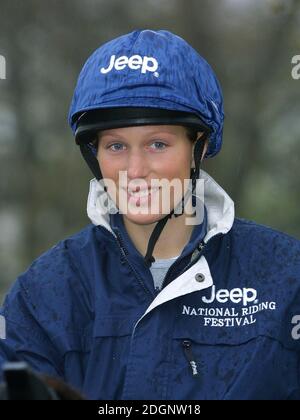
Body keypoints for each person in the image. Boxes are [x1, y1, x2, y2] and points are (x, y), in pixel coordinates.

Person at [0, 29, 300, 400]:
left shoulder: (287, 277)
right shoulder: (45, 293)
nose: (136, 169)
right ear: (95, 156)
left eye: (158, 144)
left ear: (200, 146)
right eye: (116, 146)